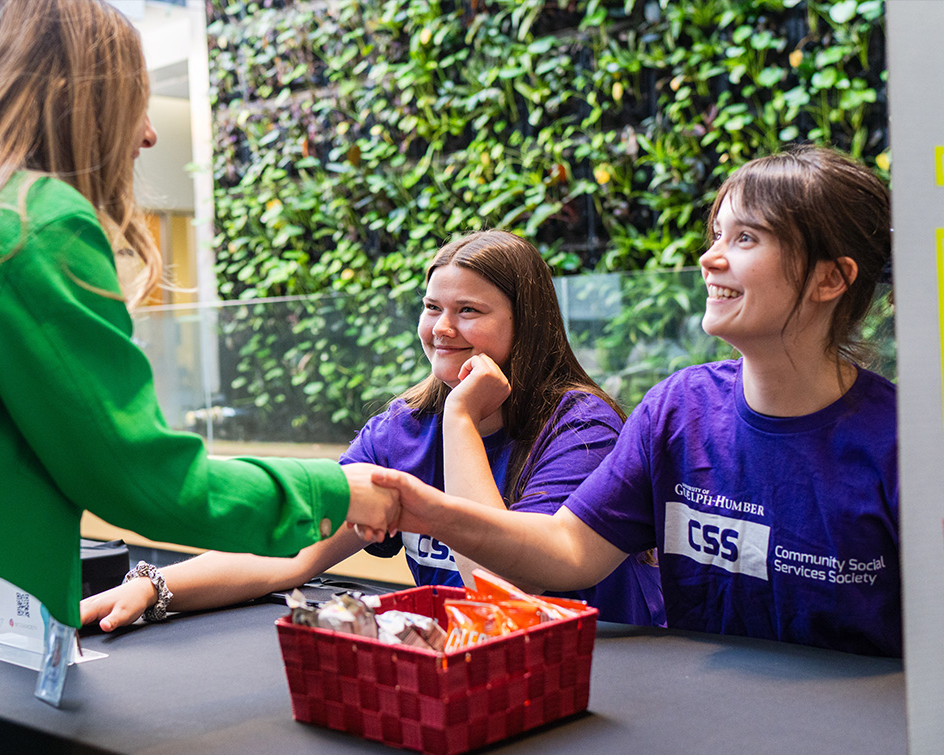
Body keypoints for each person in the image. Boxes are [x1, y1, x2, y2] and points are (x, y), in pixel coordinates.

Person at [0, 0, 397, 635]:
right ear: (76, 98)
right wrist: (335, 492)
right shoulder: (27, 225)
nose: (148, 134)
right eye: (133, 102)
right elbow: (140, 479)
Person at [371, 146, 900, 657]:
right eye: (717, 234)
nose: (709, 257)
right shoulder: (678, 409)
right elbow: (569, 549)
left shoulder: (903, 442)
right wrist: (434, 511)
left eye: (745, 238)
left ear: (831, 278)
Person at [81, 230, 666, 631]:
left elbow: (501, 592)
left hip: (594, 679)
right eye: (431, 306)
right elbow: (294, 553)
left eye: (470, 311)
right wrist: (155, 587)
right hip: (475, 674)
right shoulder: (403, 428)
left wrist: (460, 420)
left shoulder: (581, 428)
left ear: (528, 326)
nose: (442, 328)